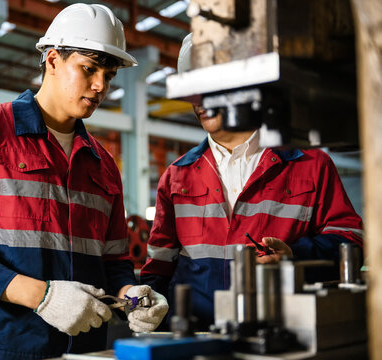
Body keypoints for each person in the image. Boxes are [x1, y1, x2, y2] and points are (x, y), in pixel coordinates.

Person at [0, 4, 168, 359]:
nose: (100, 86)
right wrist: (41, 296)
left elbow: (113, 262)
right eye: (89, 69)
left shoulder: (103, 164)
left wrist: (133, 295)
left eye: (109, 76)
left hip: (84, 349)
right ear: (52, 60)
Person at [140, 33, 363, 331]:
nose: (200, 102)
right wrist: (134, 307)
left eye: (211, 88)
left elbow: (352, 239)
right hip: (197, 341)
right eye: (192, 90)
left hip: (282, 339)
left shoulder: (309, 165)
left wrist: (295, 254)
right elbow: (154, 276)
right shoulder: (177, 176)